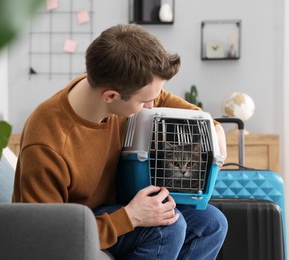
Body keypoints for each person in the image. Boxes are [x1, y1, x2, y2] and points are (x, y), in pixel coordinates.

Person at [13, 24, 228, 259]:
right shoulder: (47, 142)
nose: (152, 107)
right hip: (82, 222)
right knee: (166, 228)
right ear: (111, 96)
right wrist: (129, 217)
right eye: (146, 101)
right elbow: (49, 237)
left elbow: (161, 98)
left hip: (117, 203)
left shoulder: (112, 85)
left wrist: (214, 127)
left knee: (212, 223)